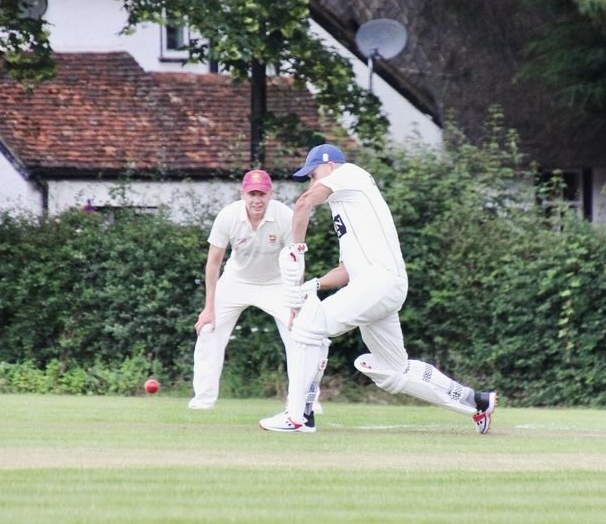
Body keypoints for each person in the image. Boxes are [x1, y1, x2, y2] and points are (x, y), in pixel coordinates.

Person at [258, 143, 497, 434]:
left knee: (308, 326)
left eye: (313, 173)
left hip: (379, 282)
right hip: (377, 287)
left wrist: (296, 248)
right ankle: (477, 402)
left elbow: (304, 204)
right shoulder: (348, 208)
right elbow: (345, 271)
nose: (311, 180)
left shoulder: (350, 174)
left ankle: (298, 417)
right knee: (390, 370)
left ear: (330, 166)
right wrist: (315, 285)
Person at [190, 169, 319, 410]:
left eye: (262, 194)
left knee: (300, 332)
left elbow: (296, 261)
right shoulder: (228, 216)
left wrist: (295, 303)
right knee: (208, 329)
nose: (256, 200)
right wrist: (208, 308)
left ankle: (305, 401)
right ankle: (202, 402)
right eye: (252, 194)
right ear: (243, 194)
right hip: (237, 280)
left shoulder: (284, 216)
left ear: (271, 194)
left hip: (277, 283)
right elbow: (213, 262)